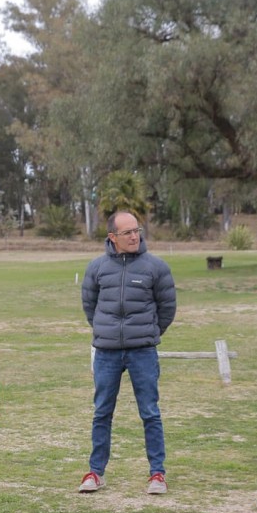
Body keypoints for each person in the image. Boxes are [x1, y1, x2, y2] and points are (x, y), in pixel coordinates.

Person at [79, 211, 176, 495]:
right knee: (102, 413)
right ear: (113, 237)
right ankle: (95, 473)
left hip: (142, 352)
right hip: (107, 352)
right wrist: (105, 332)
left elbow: (167, 309)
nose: (134, 236)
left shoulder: (156, 267)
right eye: (127, 233)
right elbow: (90, 307)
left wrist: (147, 333)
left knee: (150, 412)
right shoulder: (96, 268)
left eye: (137, 230)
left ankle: (157, 474)